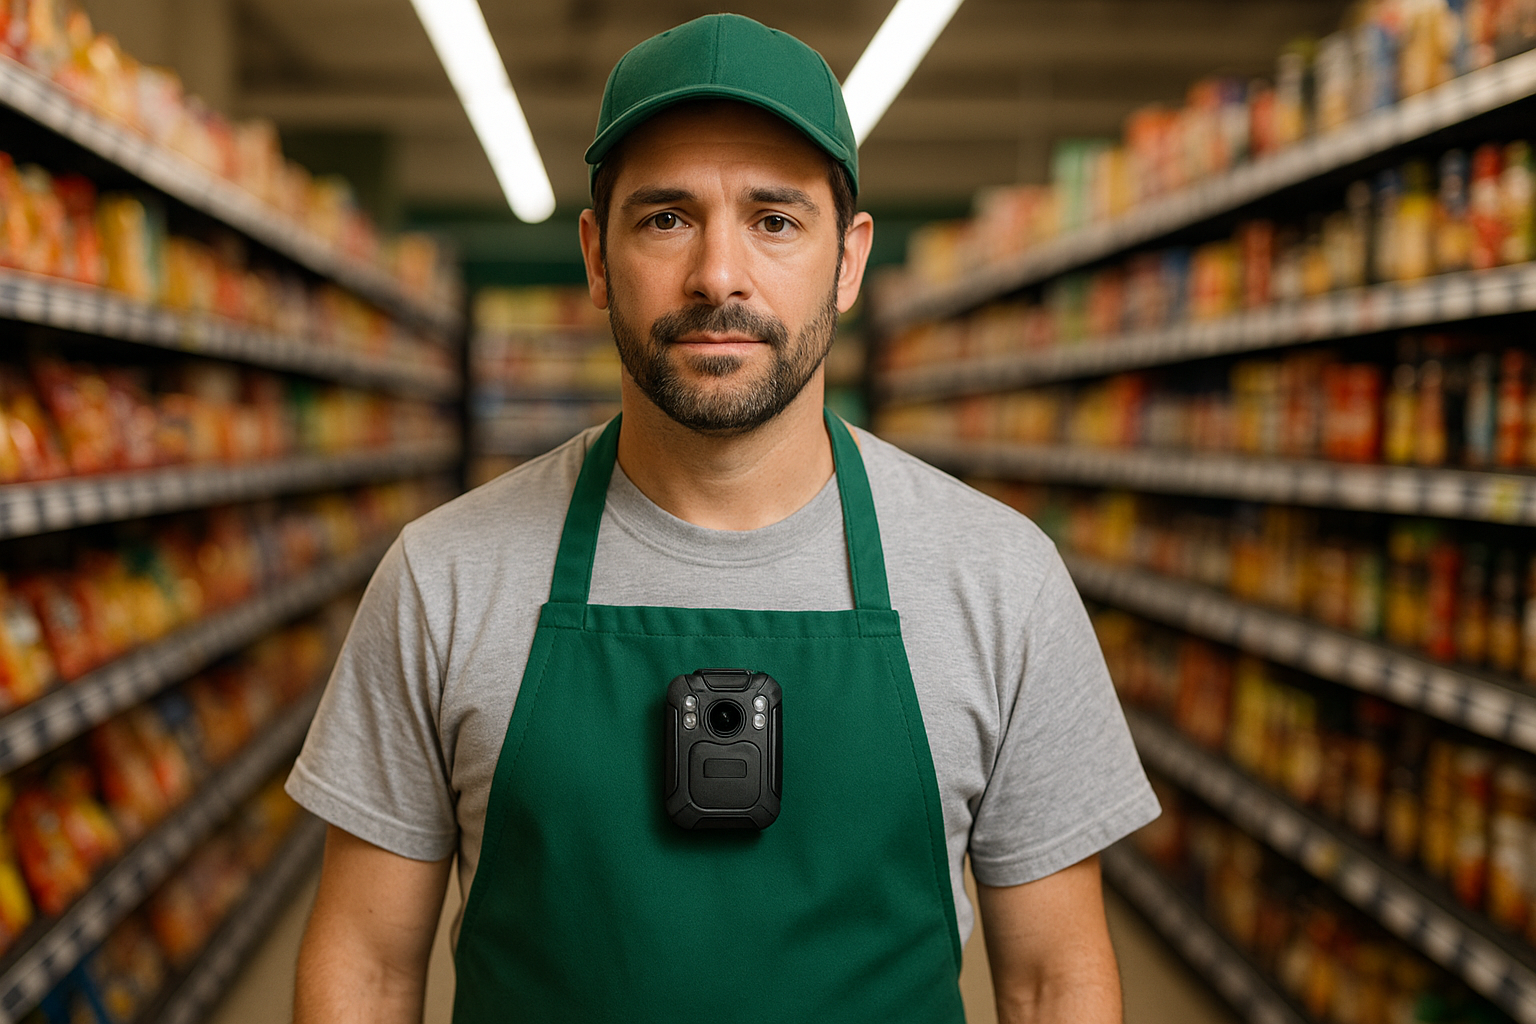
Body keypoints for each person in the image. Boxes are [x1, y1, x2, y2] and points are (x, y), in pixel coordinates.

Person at [288, 13, 1158, 1024]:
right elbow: (365, 968)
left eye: (774, 220)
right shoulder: (443, 577)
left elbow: (1054, 981)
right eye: (666, 218)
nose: (718, 275)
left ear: (849, 261)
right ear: (596, 256)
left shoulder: (1001, 581)